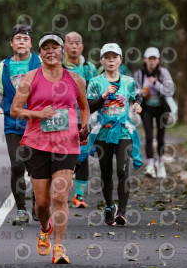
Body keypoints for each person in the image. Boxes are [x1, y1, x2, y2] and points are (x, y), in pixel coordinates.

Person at [11, 32, 90, 264]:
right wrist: (38, 114)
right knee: (43, 203)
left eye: (55, 47)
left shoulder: (75, 79)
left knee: (60, 195)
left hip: (67, 144)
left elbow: (84, 107)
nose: (51, 51)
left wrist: (84, 127)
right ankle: (45, 228)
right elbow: (15, 110)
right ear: (40, 53)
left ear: (62, 52)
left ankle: (59, 247)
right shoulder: (30, 78)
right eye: (46, 48)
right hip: (37, 144)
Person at [0, 24, 41, 226]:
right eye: (18, 38)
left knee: (37, 168)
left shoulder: (40, 63)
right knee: (17, 166)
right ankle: (21, 210)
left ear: (31, 43)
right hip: (13, 123)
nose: (21, 42)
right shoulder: (3, 67)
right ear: (11, 43)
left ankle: (38, 205)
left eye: (25, 39)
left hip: (36, 123)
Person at [85, 43, 142, 226]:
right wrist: (103, 96)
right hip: (103, 132)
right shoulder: (95, 82)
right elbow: (89, 106)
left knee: (122, 171)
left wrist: (137, 104)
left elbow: (137, 96)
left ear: (120, 60)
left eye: (114, 57)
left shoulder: (128, 81)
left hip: (124, 131)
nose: (111, 61)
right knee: (106, 172)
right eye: (107, 57)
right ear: (101, 60)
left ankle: (122, 211)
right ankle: (110, 206)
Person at [62, 31, 98, 208]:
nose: (74, 46)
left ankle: (79, 196)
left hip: (83, 118)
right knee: (63, 158)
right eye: (70, 43)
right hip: (62, 120)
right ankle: (60, 194)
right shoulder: (58, 67)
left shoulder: (89, 69)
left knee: (82, 157)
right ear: (64, 46)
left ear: (82, 47)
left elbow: (96, 93)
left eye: (77, 43)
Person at [133, 47, 175, 178]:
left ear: (158, 60)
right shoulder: (139, 74)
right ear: (145, 60)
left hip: (162, 108)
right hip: (147, 108)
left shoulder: (163, 73)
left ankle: (160, 163)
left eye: (154, 59)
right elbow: (134, 90)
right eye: (149, 58)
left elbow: (170, 91)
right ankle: (150, 164)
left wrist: (156, 83)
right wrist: (141, 93)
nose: (151, 61)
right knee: (149, 136)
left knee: (160, 136)